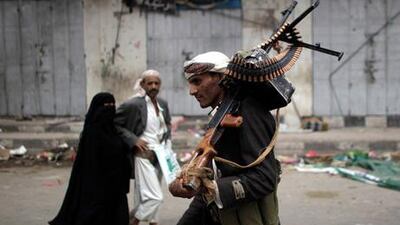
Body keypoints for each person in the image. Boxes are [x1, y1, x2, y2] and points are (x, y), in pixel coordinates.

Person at [169, 51, 281, 225]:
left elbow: (265, 178)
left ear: (221, 78)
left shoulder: (249, 112)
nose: (192, 91)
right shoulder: (218, 117)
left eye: (197, 81)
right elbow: (215, 174)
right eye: (190, 83)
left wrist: (212, 189)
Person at [49, 92, 131, 225]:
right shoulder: (92, 132)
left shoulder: (112, 129)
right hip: (98, 186)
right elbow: (90, 163)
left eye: (112, 104)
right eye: (106, 105)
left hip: (116, 185)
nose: (110, 108)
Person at [114, 69, 171, 225]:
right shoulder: (133, 104)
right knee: (155, 196)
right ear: (142, 84)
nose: (153, 86)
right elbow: (115, 124)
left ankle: (152, 220)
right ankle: (134, 219)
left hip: (160, 154)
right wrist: (134, 140)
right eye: (149, 83)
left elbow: (167, 123)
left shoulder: (162, 103)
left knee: (146, 193)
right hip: (143, 154)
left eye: (156, 83)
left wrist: (167, 142)